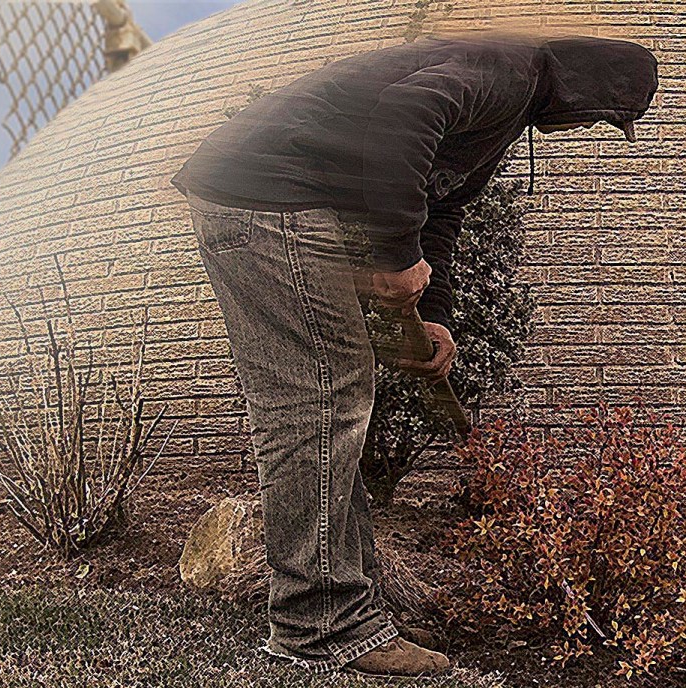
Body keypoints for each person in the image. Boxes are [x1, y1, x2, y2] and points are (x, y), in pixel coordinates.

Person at [169, 33, 658, 677]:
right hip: (274, 202)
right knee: (320, 403)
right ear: (587, 87)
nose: (587, 127)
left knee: (321, 402)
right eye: (602, 115)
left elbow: (443, 209)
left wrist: (432, 318)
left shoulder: (503, 108)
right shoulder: (511, 69)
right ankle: (320, 625)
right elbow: (404, 114)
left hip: (252, 197)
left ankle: (353, 600)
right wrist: (395, 254)